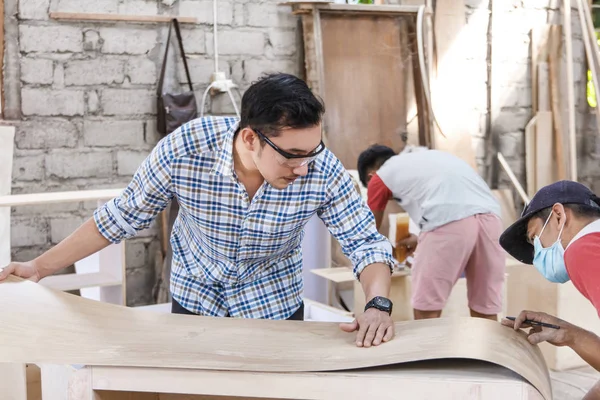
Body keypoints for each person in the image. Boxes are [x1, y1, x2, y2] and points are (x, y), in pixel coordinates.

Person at [0, 73, 397, 348]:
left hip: (275, 307)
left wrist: (378, 303)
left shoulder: (320, 168)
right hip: (195, 302)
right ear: (249, 138)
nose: (304, 166)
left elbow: (364, 240)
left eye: (313, 151)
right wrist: (40, 267)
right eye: (292, 155)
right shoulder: (187, 149)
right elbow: (122, 215)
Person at [356, 144, 505, 321]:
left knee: (426, 308)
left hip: (448, 221)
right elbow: (467, 216)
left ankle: (429, 349)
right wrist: (421, 241)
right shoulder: (429, 158)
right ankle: (487, 348)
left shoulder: (380, 177)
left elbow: (369, 231)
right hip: (492, 221)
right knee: (485, 307)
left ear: (370, 176)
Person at [498, 180, 600, 399]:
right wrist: (568, 333)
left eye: (535, 237)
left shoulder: (583, 250)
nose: (538, 254)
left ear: (558, 216)